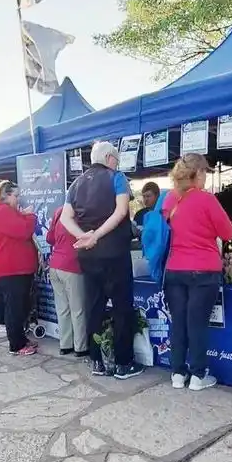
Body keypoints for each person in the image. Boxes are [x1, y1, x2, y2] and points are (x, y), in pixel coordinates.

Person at [60, 141, 143, 380]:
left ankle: (96, 360)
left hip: (87, 255)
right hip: (114, 252)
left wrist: (83, 236)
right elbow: (120, 212)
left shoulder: (75, 184)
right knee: (121, 307)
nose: (117, 163)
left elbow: (66, 217)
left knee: (93, 307)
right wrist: (95, 235)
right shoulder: (116, 177)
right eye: (116, 159)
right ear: (109, 157)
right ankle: (123, 364)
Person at [162, 154, 232, 391]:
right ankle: (197, 376)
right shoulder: (207, 200)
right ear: (199, 173)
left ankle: (177, 374)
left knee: (179, 323)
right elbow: (228, 233)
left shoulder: (169, 199)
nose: (206, 177)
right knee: (197, 325)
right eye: (206, 172)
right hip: (203, 270)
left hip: (174, 270)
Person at [0, 181, 38, 356]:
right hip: (12, 269)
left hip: (16, 268)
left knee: (20, 306)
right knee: (15, 307)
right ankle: (16, 344)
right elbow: (23, 231)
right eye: (16, 196)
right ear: (5, 195)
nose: (18, 199)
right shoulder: (2, 211)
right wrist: (30, 216)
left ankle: (20, 338)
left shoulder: (4, 211)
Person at [47, 204, 88, 357]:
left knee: (62, 308)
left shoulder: (58, 211)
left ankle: (65, 345)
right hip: (72, 264)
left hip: (55, 264)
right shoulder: (82, 213)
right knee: (78, 309)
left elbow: (49, 238)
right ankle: (81, 347)